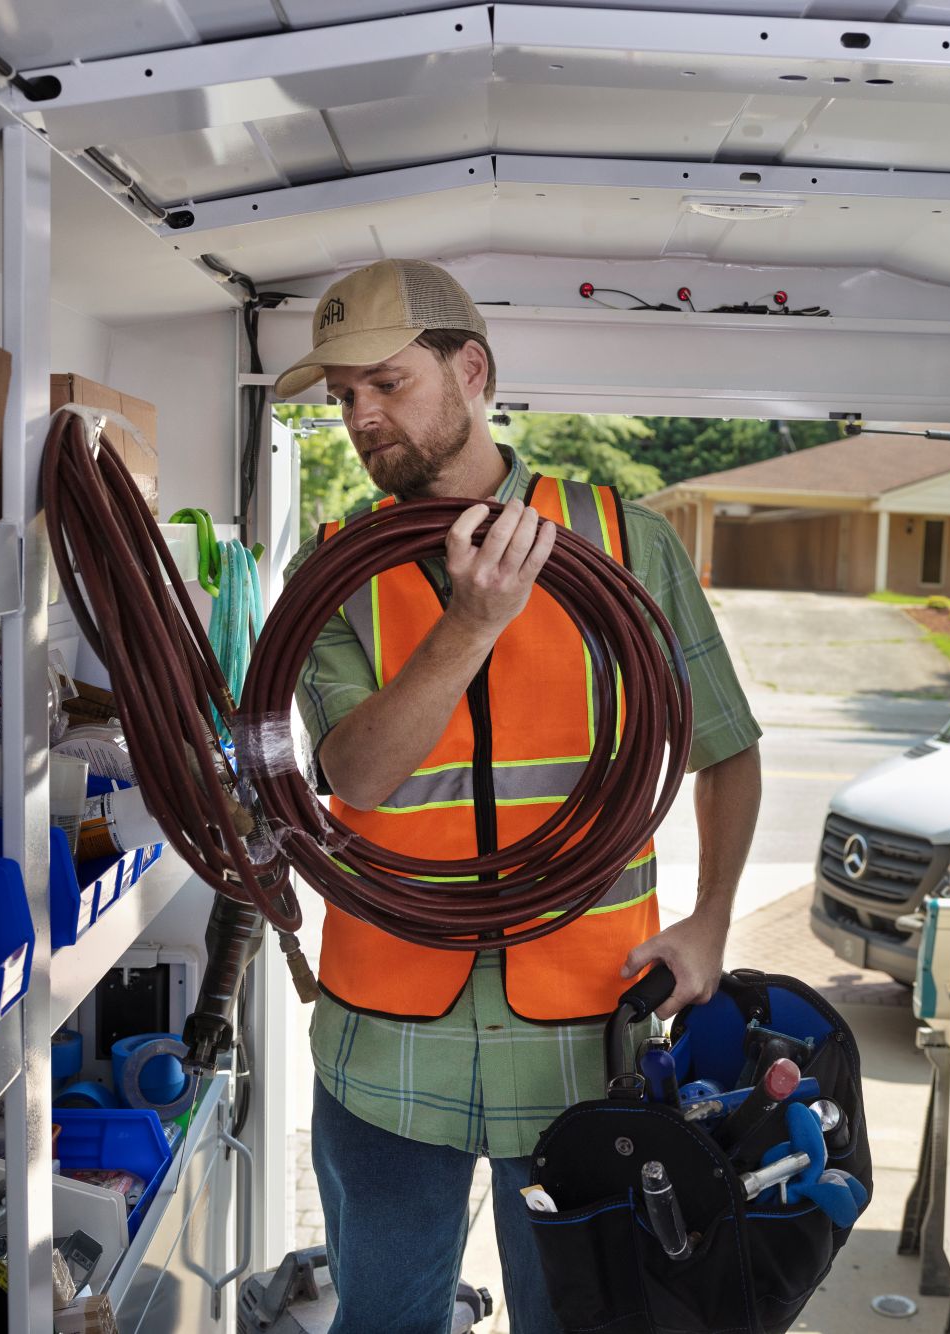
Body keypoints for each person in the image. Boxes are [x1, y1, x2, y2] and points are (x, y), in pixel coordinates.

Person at [273, 257, 763, 1333]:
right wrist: (473, 622)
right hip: (384, 1039)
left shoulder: (626, 541)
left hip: (584, 1033)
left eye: (385, 383)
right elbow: (357, 772)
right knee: (384, 1322)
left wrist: (711, 921)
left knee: (579, 1321)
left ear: (472, 371)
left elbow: (722, 746)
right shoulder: (330, 570)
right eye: (342, 396)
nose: (359, 415)